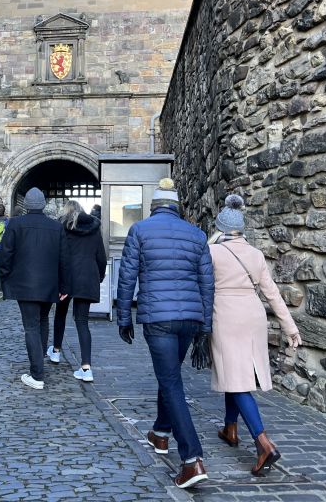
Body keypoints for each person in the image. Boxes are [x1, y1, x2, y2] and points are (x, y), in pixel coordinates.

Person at [116, 177, 215, 489]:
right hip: (189, 319)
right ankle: (160, 433)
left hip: (158, 317)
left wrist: (123, 316)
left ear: (153, 206)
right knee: (169, 375)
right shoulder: (197, 234)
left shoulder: (140, 231)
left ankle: (191, 459)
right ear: (177, 207)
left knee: (171, 381)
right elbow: (207, 284)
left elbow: (127, 275)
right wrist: (205, 326)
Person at [209, 194, 301, 476]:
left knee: (235, 380)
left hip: (225, 315)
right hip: (253, 315)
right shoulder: (257, 254)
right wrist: (290, 327)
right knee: (234, 373)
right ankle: (230, 428)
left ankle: (263, 443)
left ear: (221, 228)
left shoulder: (212, 251)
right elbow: (272, 294)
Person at [0, 187, 69, 390]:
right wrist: (64, 285)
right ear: (43, 204)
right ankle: (39, 365)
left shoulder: (16, 224)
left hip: (24, 284)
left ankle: (37, 374)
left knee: (30, 326)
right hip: (49, 285)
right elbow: (64, 259)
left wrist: (5, 277)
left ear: (27, 205)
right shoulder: (56, 227)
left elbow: (6, 253)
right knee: (42, 321)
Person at [47, 200, 106, 382]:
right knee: (82, 322)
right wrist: (100, 276)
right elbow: (101, 257)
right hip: (87, 278)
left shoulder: (61, 227)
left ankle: (56, 351)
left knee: (60, 315)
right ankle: (86, 367)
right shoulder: (94, 229)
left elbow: (55, 254)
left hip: (66, 277)